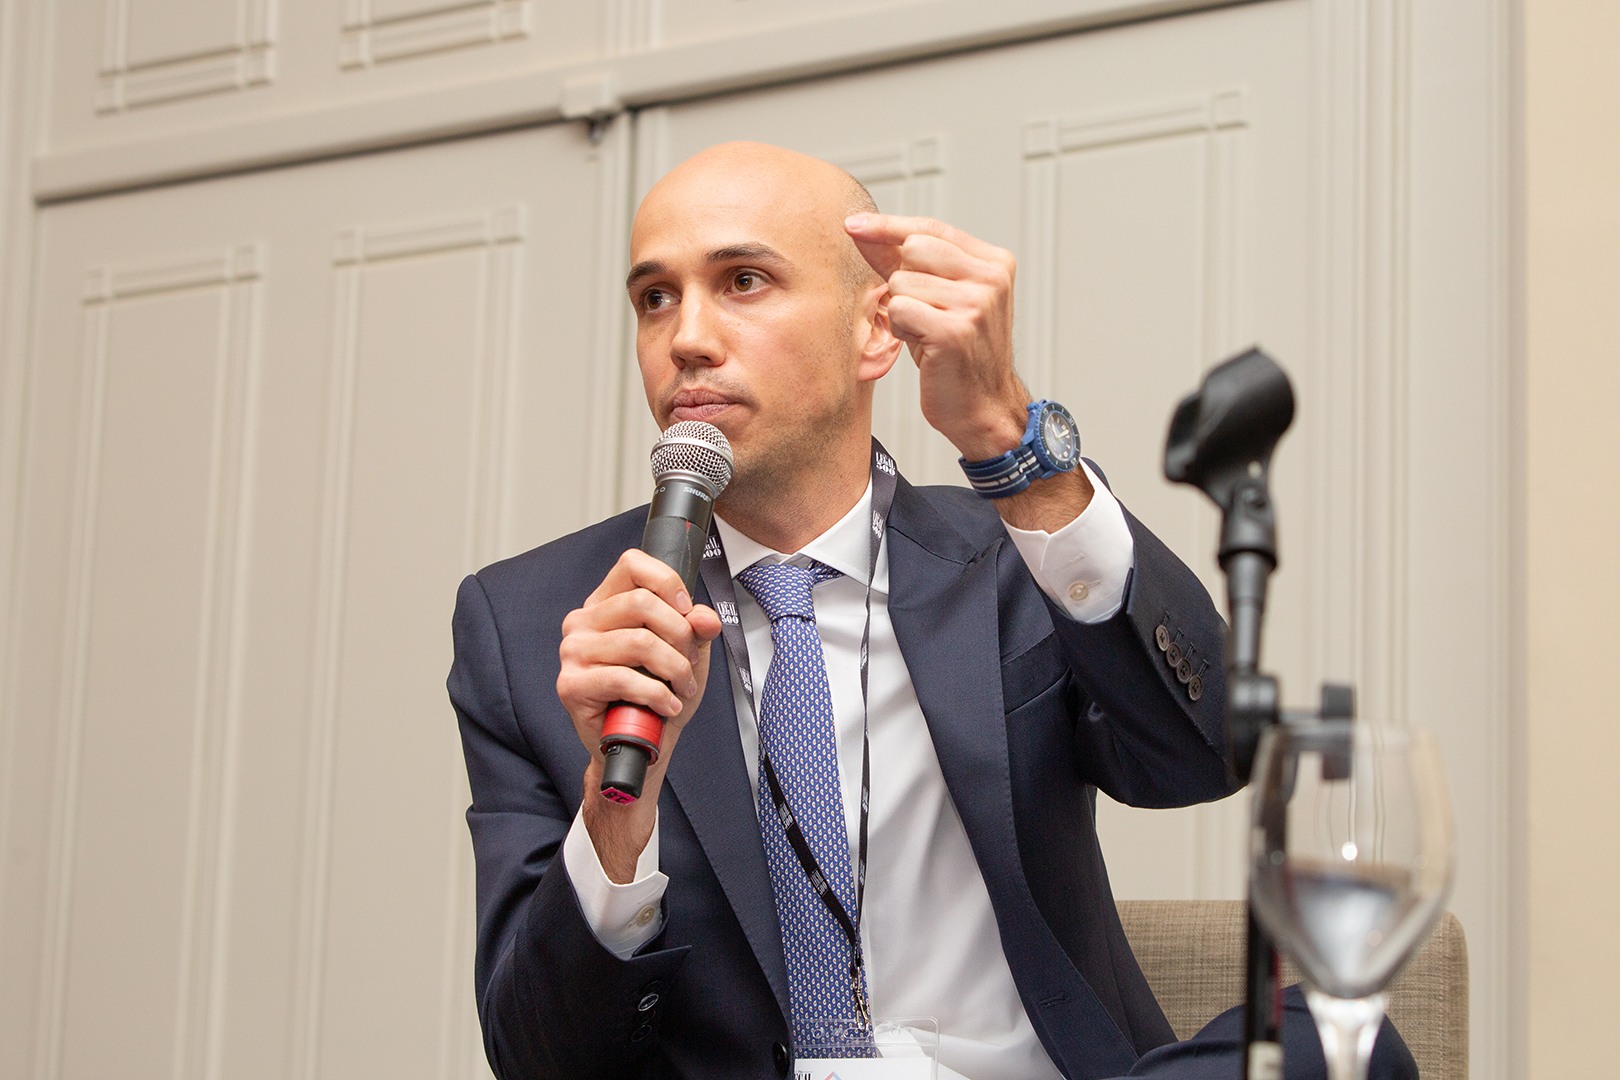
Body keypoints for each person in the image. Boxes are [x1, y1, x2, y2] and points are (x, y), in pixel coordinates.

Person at [448, 141, 1414, 1080]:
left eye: (743, 281)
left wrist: (1007, 436)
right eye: (655, 298)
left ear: (877, 330)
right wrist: (617, 810)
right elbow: (539, 1057)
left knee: (1342, 1043)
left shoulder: (1018, 549)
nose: (686, 338)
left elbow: (1201, 758)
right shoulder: (541, 626)